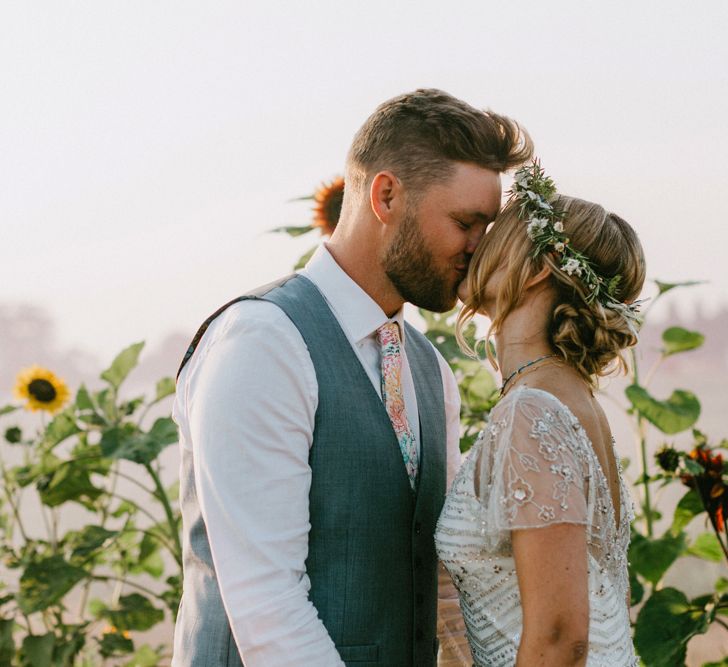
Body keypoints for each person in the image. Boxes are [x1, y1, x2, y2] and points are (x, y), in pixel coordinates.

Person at [171, 89, 533, 667]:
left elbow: (435, 572)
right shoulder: (265, 343)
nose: (479, 249)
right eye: (466, 223)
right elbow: (268, 605)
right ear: (386, 195)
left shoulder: (429, 369)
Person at [435, 162, 645, 666]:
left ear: (537, 268)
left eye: (496, 236)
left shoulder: (533, 411)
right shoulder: (571, 399)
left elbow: (558, 636)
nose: (475, 246)